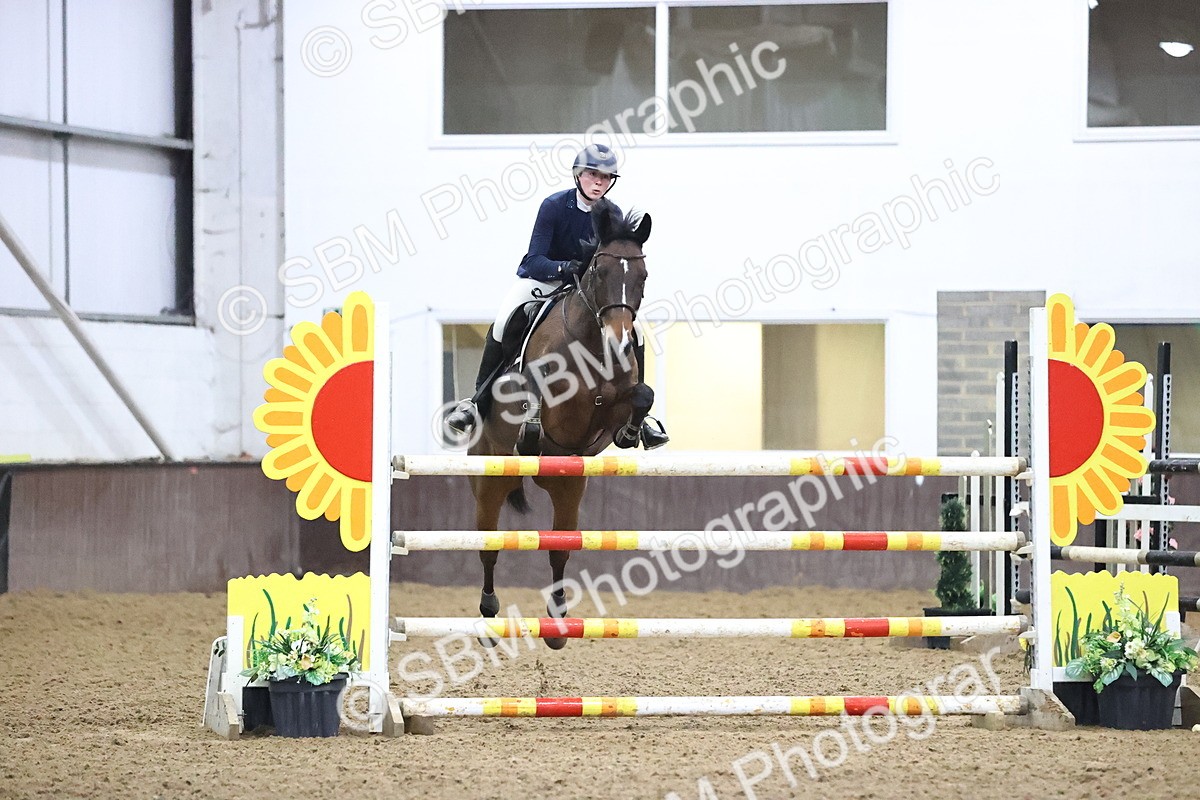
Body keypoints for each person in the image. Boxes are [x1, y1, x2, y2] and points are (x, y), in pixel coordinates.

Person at [444, 143, 669, 450]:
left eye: (605, 177)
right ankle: (476, 402)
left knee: (636, 332)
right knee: (504, 320)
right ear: (578, 175)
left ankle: (641, 418)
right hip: (545, 280)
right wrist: (564, 268)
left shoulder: (612, 213)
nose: (598, 182)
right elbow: (534, 258)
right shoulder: (554, 206)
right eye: (592, 175)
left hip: (588, 290)